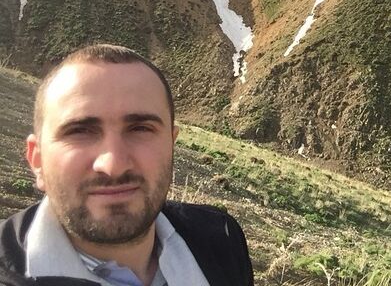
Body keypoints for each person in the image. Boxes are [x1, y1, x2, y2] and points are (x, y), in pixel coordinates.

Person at [0, 44, 254, 286]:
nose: (113, 165)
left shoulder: (221, 239)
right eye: (79, 131)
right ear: (36, 159)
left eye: (140, 129)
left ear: (171, 144)